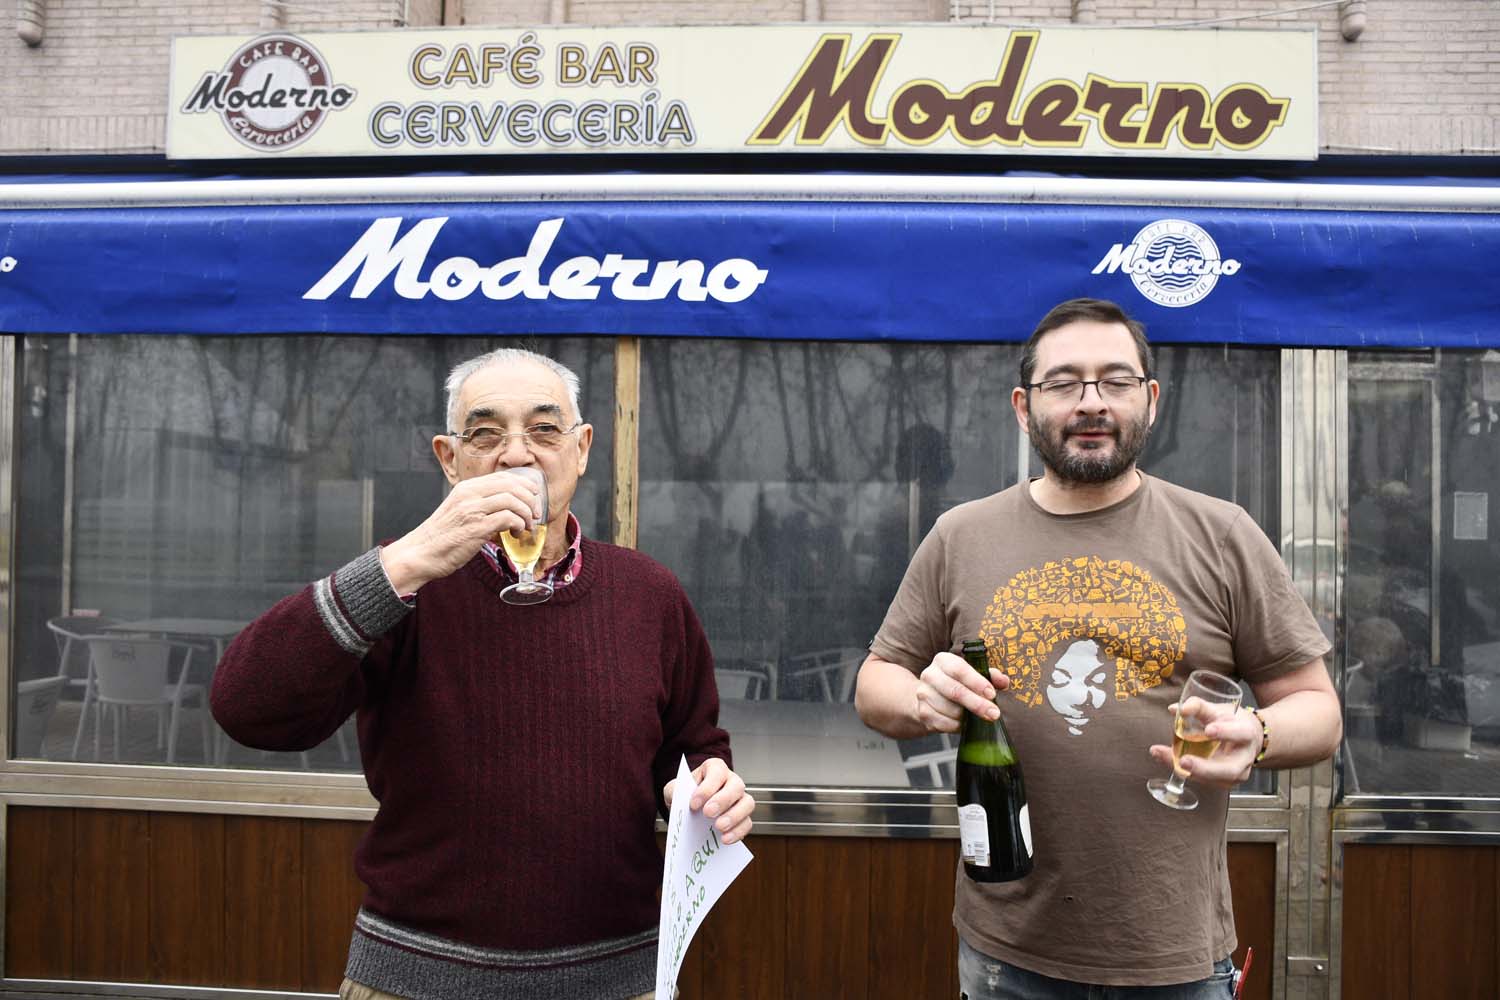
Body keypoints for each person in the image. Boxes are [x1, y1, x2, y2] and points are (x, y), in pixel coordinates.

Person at [211, 346, 754, 1000]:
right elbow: (246, 709)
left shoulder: (650, 593)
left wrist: (705, 788)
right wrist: (406, 562)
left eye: (545, 430)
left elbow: (692, 745)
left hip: (617, 978)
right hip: (415, 979)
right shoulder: (403, 587)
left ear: (582, 450)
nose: (517, 455)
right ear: (450, 460)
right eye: (486, 433)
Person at [854, 298, 1341, 997]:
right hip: (1006, 956)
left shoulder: (1223, 535)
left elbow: (1319, 713)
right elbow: (876, 685)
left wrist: (1258, 733)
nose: (1091, 402)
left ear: (1150, 399)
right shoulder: (961, 536)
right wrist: (921, 699)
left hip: (1175, 959)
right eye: (1064, 383)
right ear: (1025, 408)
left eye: (1114, 381)